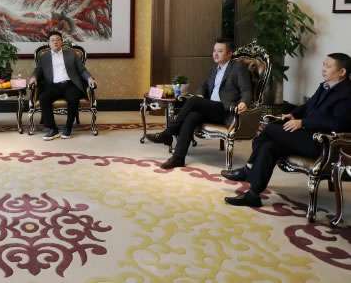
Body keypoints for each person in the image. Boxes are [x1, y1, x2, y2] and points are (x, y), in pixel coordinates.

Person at [223, 53, 351, 207]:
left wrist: (302, 122)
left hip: (323, 144)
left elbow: (337, 123)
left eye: (328, 66)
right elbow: (308, 106)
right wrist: (293, 114)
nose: (323, 69)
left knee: (269, 129)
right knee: (269, 146)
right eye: (324, 65)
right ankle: (253, 195)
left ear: (342, 72)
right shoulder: (325, 85)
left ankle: (248, 169)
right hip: (307, 136)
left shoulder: (347, 93)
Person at [145, 39, 252, 169]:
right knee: (192, 116)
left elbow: (246, 90)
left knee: (194, 101)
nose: (215, 54)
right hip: (210, 108)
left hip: (224, 109)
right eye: (214, 51)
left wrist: (244, 102)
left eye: (220, 51)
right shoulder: (215, 69)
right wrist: (201, 95)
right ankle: (178, 158)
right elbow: (204, 86)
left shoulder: (238, 67)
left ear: (229, 54)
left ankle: (168, 133)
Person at [29, 31, 96, 140]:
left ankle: (68, 127)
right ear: (49, 43)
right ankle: (52, 129)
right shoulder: (44, 57)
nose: (55, 42)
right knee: (43, 98)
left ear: (62, 42)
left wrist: (89, 78)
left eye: (58, 40)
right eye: (52, 40)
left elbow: (82, 70)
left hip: (70, 84)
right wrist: (33, 77)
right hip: (53, 85)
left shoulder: (71, 54)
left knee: (73, 98)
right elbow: (38, 70)